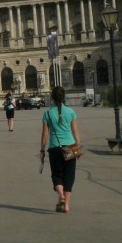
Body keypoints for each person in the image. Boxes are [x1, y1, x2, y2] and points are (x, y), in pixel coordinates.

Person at [39, 86, 83, 214]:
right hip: (71, 146)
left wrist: (42, 150)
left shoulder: (47, 114)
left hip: (54, 148)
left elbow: (45, 134)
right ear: (63, 97)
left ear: (52, 98)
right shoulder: (70, 112)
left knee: (57, 176)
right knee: (69, 176)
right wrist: (78, 147)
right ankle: (67, 205)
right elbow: (75, 131)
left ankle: (61, 195)